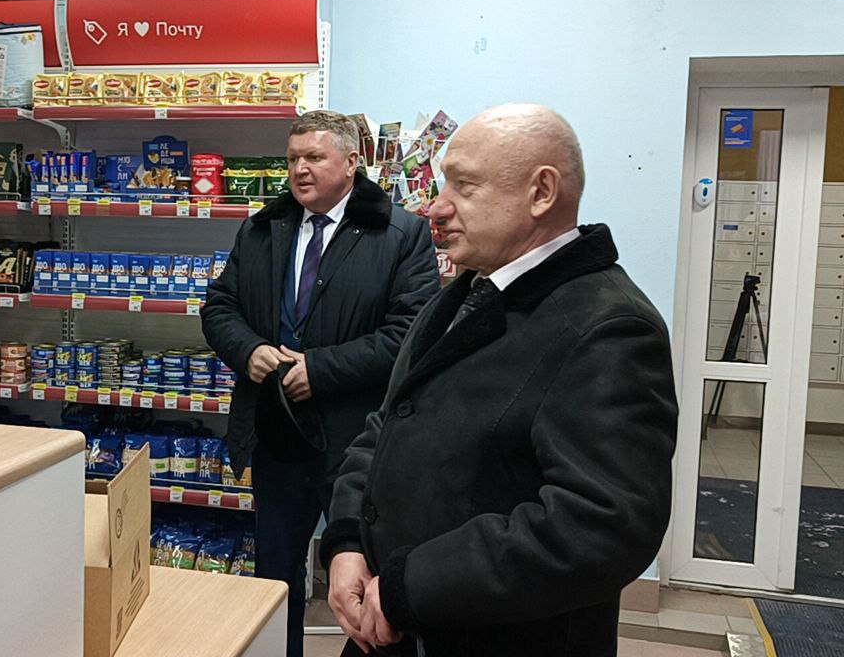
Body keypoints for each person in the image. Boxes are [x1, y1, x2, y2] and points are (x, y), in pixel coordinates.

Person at [319, 104, 678, 657]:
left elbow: (601, 525)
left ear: (541, 192)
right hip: (393, 629)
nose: (436, 206)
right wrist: (346, 542)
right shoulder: (462, 295)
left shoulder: (610, 327)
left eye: (464, 186)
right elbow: (386, 425)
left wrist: (412, 587)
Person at [203, 110, 441, 657]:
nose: (300, 170)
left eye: (314, 157)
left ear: (352, 161)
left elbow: (410, 334)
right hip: (278, 437)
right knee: (275, 579)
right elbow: (219, 307)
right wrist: (249, 349)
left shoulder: (400, 233)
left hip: (357, 444)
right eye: (293, 159)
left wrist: (321, 369)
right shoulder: (261, 228)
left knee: (363, 580)